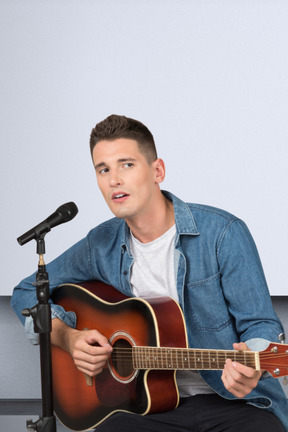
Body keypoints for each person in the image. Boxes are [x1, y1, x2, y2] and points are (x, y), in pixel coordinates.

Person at [11, 115, 288, 432]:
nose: (114, 179)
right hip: (145, 407)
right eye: (103, 169)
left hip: (234, 405)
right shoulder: (100, 243)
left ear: (158, 171)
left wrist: (253, 365)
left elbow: (261, 325)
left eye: (126, 164)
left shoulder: (224, 233)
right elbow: (25, 293)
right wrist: (67, 337)